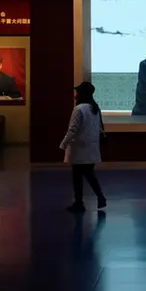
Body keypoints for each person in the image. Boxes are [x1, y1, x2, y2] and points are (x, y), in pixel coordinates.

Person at [60, 81, 107, 213]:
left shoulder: (79, 109)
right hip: (91, 148)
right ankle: (100, 197)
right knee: (89, 174)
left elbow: (73, 129)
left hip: (78, 148)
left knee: (77, 177)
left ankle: (79, 202)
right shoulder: (95, 108)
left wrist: (63, 144)